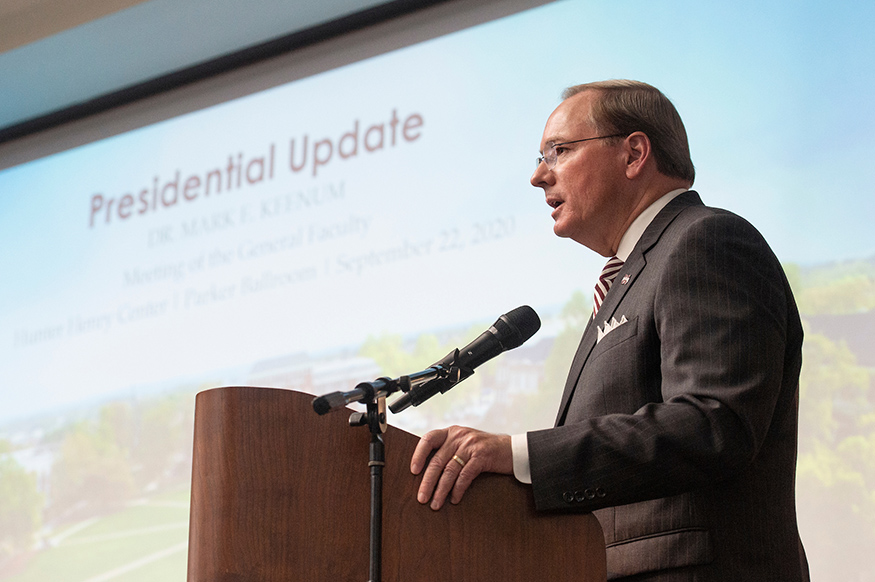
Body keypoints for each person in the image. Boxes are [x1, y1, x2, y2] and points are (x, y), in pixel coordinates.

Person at [410, 80, 809, 581]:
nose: (538, 176)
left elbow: (714, 423)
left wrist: (517, 454)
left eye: (558, 151)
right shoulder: (630, 276)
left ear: (634, 153)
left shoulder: (705, 241)